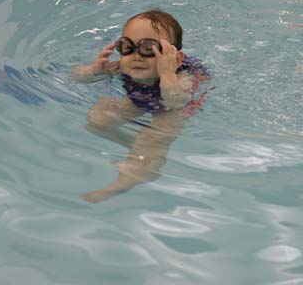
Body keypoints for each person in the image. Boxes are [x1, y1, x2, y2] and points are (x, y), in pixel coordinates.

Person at [72, 10, 210, 203]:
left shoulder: (182, 76)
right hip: (141, 97)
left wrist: (167, 73)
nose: (136, 56)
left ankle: (133, 174)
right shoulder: (126, 65)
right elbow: (75, 77)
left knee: (153, 138)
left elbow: (175, 101)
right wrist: (94, 70)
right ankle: (138, 147)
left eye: (148, 48)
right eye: (128, 46)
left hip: (172, 110)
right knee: (98, 121)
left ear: (175, 58)